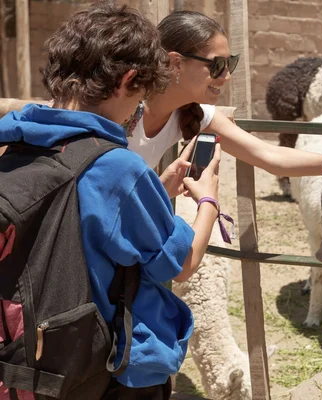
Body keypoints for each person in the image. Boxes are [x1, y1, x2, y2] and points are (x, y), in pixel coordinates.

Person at [0, 3, 220, 398]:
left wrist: (155, 190)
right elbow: (182, 263)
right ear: (128, 80)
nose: (137, 109)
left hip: (23, 357)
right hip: (99, 370)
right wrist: (208, 202)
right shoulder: (118, 168)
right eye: (140, 96)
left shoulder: (16, 141)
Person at [127, 10, 322, 189]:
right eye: (218, 65)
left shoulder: (194, 113)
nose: (227, 76)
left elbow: (270, 156)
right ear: (176, 63)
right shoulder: (122, 106)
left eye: (230, 63)